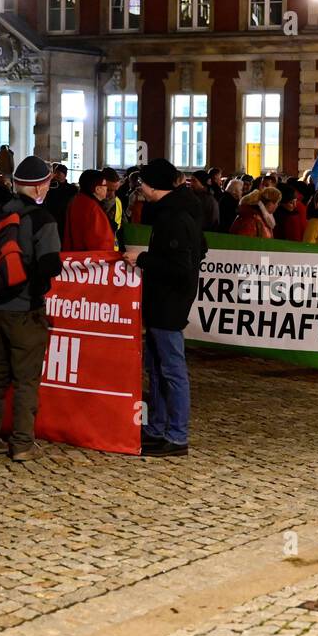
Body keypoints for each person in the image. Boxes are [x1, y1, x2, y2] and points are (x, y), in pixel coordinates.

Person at [0, 156, 62, 461]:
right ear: (39, 185)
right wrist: (36, 287)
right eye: (48, 182)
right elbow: (50, 264)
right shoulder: (42, 218)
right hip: (25, 310)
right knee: (26, 379)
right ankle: (22, 443)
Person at [123, 158, 206, 457]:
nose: (140, 189)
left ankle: (176, 436)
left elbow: (181, 267)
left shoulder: (174, 216)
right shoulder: (179, 210)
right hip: (164, 300)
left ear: (153, 185)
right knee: (157, 367)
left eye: (142, 183)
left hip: (169, 303)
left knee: (171, 369)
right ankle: (157, 428)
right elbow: (200, 249)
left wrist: (142, 260)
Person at [63, 168, 117, 252]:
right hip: (92, 259)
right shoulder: (92, 208)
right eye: (105, 185)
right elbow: (100, 242)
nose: (106, 189)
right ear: (97, 189)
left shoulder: (76, 200)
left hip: (76, 257)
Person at [44, 164, 76, 243]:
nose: (56, 175)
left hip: (64, 218)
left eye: (59, 173)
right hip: (52, 216)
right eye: (55, 173)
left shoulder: (71, 189)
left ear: (64, 174)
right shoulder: (50, 187)